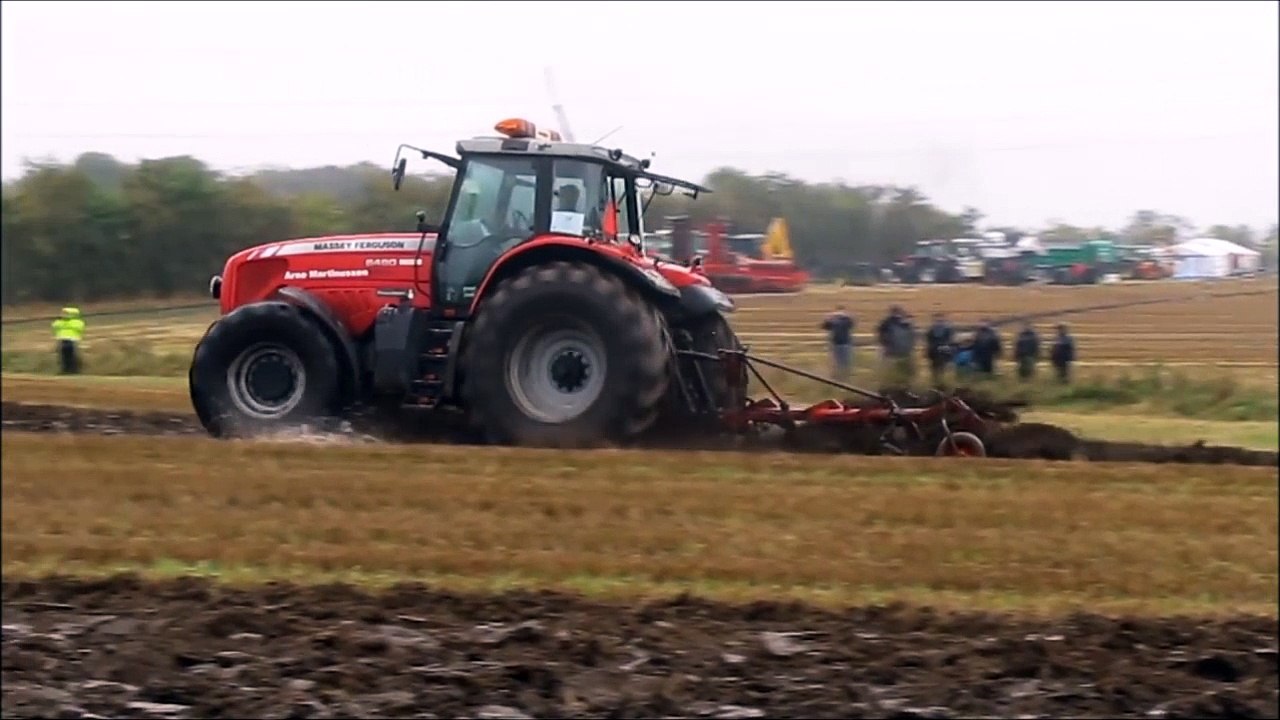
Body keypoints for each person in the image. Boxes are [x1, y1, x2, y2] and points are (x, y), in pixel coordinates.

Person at [820, 305, 855, 381]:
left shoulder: (845, 320)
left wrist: (832, 318)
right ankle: (839, 378)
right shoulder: (837, 320)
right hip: (840, 343)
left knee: (842, 362)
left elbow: (851, 324)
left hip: (841, 343)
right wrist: (830, 318)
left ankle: (842, 378)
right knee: (839, 362)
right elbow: (824, 326)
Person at [51, 307, 86, 374]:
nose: (64, 315)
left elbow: (79, 328)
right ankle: (65, 370)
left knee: (72, 356)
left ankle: (74, 370)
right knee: (63, 357)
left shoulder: (77, 322)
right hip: (62, 340)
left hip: (72, 340)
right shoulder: (60, 322)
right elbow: (54, 326)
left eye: (66, 313)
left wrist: (66, 323)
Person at [924, 312, 955, 386]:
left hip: (944, 355)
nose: (938, 322)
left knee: (944, 372)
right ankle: (936, 386)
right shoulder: (930, 331)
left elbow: (950, 342)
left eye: (940, 320)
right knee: (935, 374)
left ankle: (943, 386)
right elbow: (929, 343)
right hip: (934, 355)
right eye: (937, 320)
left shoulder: (948, 331)